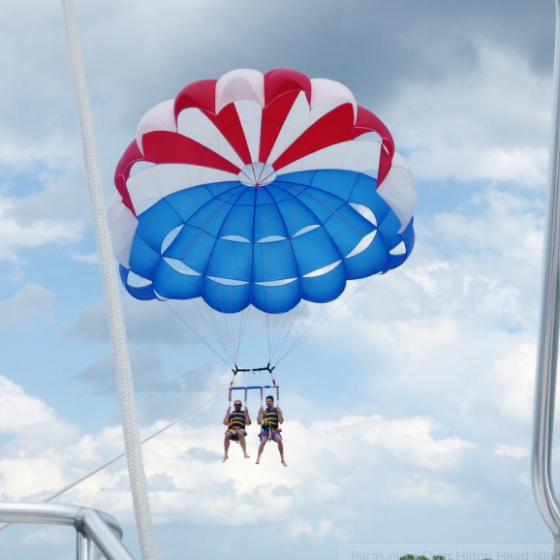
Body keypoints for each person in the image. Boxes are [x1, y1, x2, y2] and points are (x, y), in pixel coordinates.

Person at [256, 395, 287, 467]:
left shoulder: (277, 410)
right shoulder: (265, 411)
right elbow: (259, 422)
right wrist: (259, 413)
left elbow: (281, 421)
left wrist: (279, 414)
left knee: (279, 440)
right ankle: (258, 458)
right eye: (266, 402)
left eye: (269, 401)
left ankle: (282, 459)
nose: (267, 403)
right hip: (265, 429)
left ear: (273, 402)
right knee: (263, 441)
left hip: (274, 429)